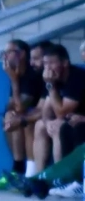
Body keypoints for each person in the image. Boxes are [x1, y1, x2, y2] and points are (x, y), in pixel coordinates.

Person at [29, 44, 85, 182]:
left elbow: (61, 112)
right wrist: (48, 122)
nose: (47, 67)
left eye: (52, 63)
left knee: (59, 127)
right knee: (40, 125)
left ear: (65, 63)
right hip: (70, 119)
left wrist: (51, 86)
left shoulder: (76, 77)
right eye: (45, 63)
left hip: (78, 121)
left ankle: (60, 179)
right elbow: (46, 111)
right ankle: (38, 177)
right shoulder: (54, 78)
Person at [0, 39, 46, 189]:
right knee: (7, 117)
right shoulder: (18, 73)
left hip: (40, 116)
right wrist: (11, 112)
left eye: (8, 52)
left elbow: (19, 107)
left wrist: (13, 81)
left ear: (22, 54)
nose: (5, 57)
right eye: (3, 53)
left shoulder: (32, 75)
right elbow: (11, 104)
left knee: (19, 120)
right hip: (28, 115)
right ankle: (17, 168)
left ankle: (24, 172)